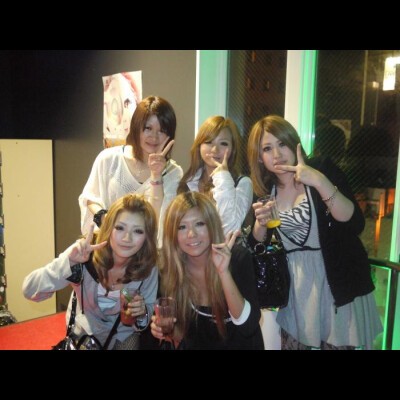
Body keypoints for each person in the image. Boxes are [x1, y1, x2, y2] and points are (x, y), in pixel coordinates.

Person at [247, 115, 382, 350]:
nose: (277, 154)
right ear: (259, 157)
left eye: (282, 143)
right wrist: (260, 225)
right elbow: (256, 247)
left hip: (336, 285)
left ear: (294, 143)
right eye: (267, 148)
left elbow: (355, 223)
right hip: (297, 294)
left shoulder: (321, 168)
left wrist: (319, 181)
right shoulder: (265, 191)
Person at [23, 194, 158, 350]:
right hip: (83, 336)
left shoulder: (148, 267)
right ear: (109, 228)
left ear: (147, 237)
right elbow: (29, 290)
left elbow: (145, 316)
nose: (127, 238)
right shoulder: (85, 253)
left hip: (122, 338)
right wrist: (68, 263)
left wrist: (141, 313)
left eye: (138, 231)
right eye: (120, 228)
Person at [150, 191, 264, 350]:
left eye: (199, 224)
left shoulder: (237, 258)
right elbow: (182, 336)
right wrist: (164, 330)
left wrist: (224, 273)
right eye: (182, 227)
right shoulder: (168, 269)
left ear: (211, 225)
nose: (191, 234)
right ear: (172, 233)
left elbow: (248, 327)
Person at [79, 95, 183, 245]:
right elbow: (90, 197)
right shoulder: (109, 159)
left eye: (162, 130)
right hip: (108, 246)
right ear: (136, 127)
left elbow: (159, 222)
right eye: (148, 128)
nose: (154, 137)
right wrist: (105, 218)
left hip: (147, 253)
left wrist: (156, 175)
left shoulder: (173, 173)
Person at [177, 116, 253, 235]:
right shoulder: (187, 182)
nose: (214, 149)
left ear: (233, 149)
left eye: (223, 143)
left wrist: (223, 177)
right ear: (199, 145)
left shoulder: (242, 183)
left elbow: (229, 229)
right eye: (208, 142)